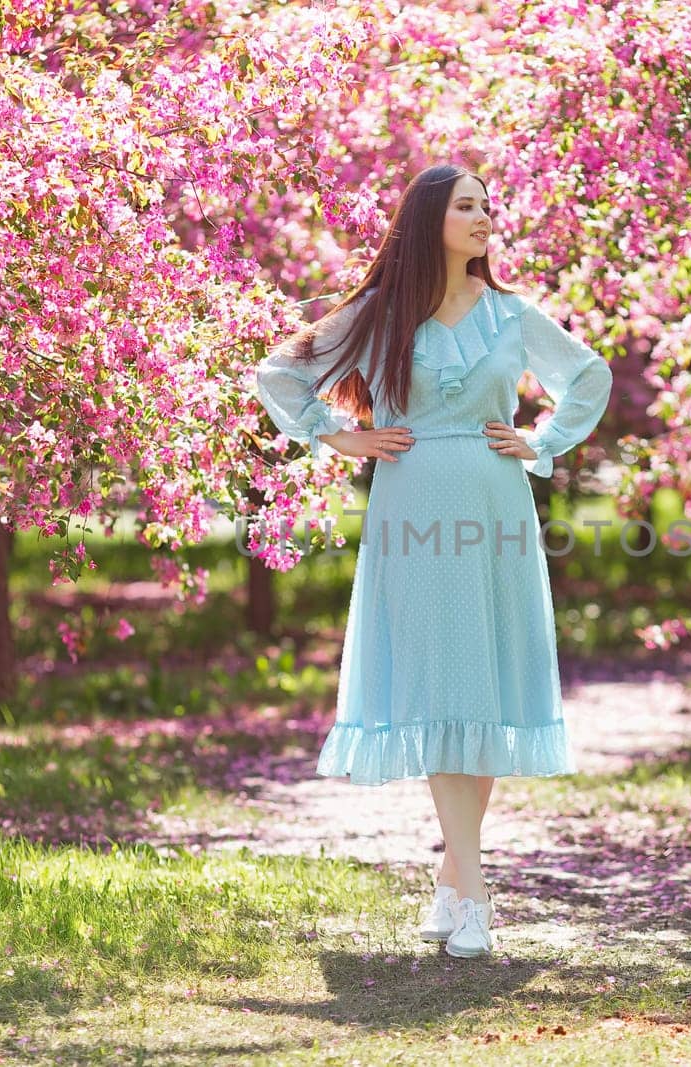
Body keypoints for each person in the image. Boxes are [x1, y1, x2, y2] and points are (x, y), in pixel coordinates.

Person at [254, 163, 613, 959]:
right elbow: (278, 373)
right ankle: (475, 893)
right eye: (467, 206)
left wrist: (544, 441)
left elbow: (589, 376)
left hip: (495, 507)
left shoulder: (513, 315)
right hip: (411, 507)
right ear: (429, 220)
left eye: (489, 205)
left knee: (480, 683)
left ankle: (455, 881)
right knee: (441, 682)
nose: (486, 216)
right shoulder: (382, 313)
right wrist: (334, 434)